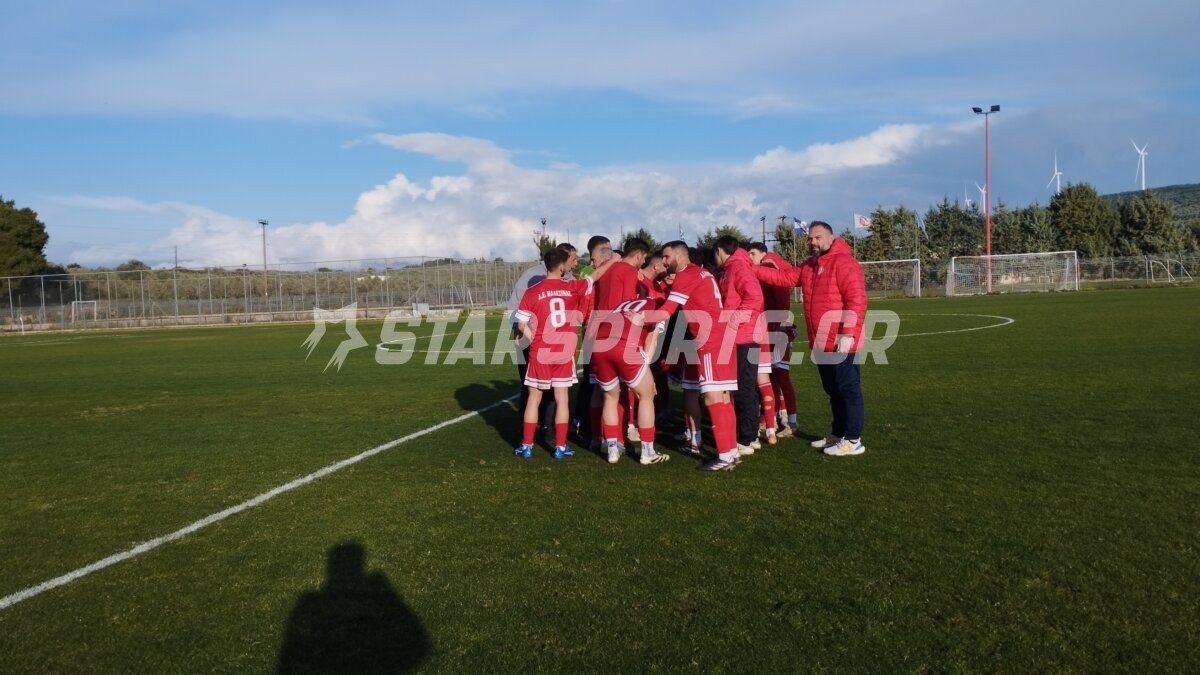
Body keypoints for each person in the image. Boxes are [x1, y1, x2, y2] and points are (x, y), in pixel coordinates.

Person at [752, 222, 868, 457]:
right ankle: (838, 433)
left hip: (840, 340)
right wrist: (752, 269)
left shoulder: (844, 262)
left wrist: (848, 333)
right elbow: (785, 278)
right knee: (833, 389)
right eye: (810, 238)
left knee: (847, 389)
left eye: (818, 237)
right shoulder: (810, 265)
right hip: (821, 341)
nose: (813, 242)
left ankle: (853, 439)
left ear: (831, 237)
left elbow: (857, 299)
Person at [513, 247, 610, 459]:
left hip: (541, 351)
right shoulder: (572, 287)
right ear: (560, 267)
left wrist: (533, 337)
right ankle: (560, 447)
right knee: (562, 399)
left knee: (533, 399)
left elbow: (520, 325)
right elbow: (595, 275)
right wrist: (613, 260)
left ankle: (527, 446)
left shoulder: (532, 291)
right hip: (564, 352)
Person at [653, 241, 741, 471]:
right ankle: (731, 452)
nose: (664, 261)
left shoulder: (685, 276)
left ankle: (724, 456)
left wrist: (639, 318)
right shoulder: (702, 272)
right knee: (724, 398)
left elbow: (667, 311)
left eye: (666, 256)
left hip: (710, 341)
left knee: (712, 398)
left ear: (680, 255)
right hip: (723, 336)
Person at [588, 238, 669, 465]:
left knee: (608, 395)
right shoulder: (653, 302)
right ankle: (646, 450)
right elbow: (650, 339)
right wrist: (647, 370)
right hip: (624, 342)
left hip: (599, 338)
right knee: (645, 394)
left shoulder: (611, 274)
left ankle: (610, 447)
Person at [507, 243, 578, 434]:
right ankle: (529, 428)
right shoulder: (531, 276)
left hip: (555, 343)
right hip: (533, 340)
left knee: (552, 391)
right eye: (572, 259)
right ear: (562, 260)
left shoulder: (569, 280)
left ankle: (547, 428)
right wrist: (520, 332)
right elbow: (515, 306)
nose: (575, 264)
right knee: (532, 388)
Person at [712, 236, 765, 456]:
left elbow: (755, 297)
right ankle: (750, 435)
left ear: (719, 250)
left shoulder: (738, 267)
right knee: (744, 387)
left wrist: (734, 320)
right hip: (739, 336)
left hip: (744, 336)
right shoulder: (730, 269)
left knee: (744, 388)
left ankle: (747, 437)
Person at [747, 242, 799, 439]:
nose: (750, 257)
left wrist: (780, 322)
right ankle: (776, 417)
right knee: (772, 375)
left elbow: (780, 294)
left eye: (752, 253)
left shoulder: (769, 265)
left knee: (779, 374)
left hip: (776, 328)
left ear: (763, 253)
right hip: (770, 327)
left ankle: (790, 421)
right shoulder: (769, 264)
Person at [573, 236, 613, 442]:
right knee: (594, 381)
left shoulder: (591, 271)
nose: (611, 254)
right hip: (594, 329)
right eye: (607, 250)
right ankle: (588, 425)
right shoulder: (591, 272)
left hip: (596, 329)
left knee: (593, 381)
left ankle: (584, 422)